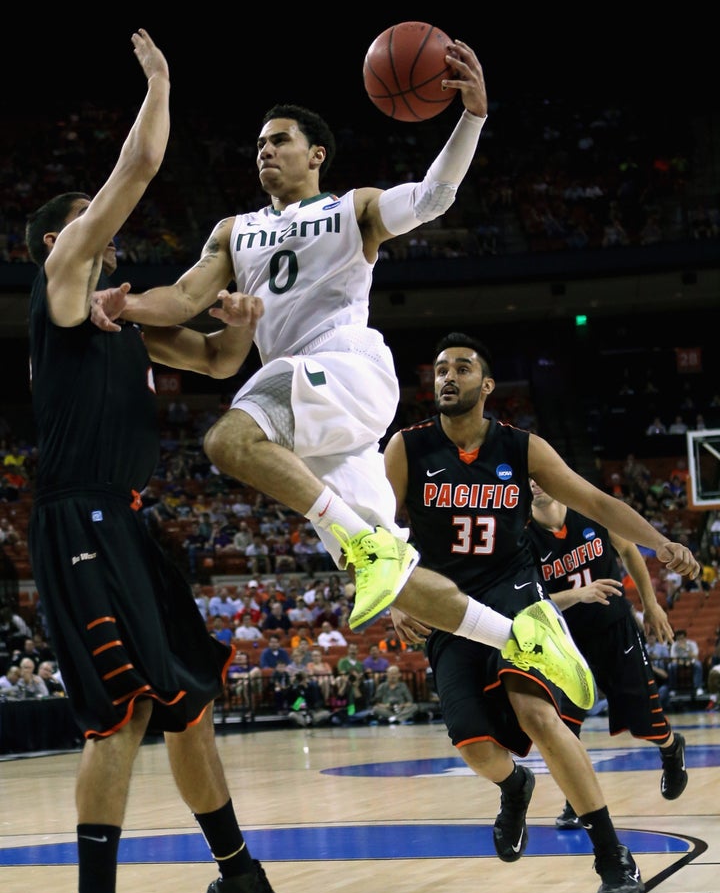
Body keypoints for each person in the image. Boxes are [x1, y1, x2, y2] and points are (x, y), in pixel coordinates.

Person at [89, 43, 595, 702]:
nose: (264, 152)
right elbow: (184, 301)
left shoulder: (349, 208)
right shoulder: (232, 231)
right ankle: (525, 635)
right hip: (313, 406)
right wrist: (122, 305)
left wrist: (470, 117)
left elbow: (433, 197)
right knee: (393, 583)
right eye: (259, 145)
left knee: (227, 441)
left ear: (316, 153)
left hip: (343, 365)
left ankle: (369, 546)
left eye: (279, 141)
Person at [25, 30, 318, 893]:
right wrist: (157, 82)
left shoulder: (121, 316)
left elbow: (215, 365)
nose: (108, 228)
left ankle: (238, 882)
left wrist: (233, 330)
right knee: (122, 711)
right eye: (89, 219)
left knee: (188, 702)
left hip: (134, 521)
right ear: (60, 242)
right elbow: (140, 165)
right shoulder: (63, 284)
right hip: (78, 519)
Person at [384, 332, 699, 893]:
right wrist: (395, 596)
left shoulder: (522, 447)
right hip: (446, 606)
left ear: (486, 385)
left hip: (517, 600)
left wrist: (659, 543)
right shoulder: (408, 448)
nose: (447, 377)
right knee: (474, 745)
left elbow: (598, 503)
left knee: (537, 714)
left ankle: (611, 855)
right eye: (439, 370)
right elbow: (375, 532)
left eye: (461, 367)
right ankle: (514, 785)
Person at [527, 480, 688, 831]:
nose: (536, 484)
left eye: (540, 477)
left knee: (644, 720)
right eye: (528, 480)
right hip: (564, 640)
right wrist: (577, 594)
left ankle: (671, 748)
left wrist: (651, 604)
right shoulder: (522, 538)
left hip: (615, 629)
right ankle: (578, 801)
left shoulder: (590, 512)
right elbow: (530, 602)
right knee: (564, 728)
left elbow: (630, 552)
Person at [668, 629, 704, 696]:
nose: (680, 640)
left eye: (682, 638)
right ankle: (673, 689)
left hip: (691, 660)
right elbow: (673, 659)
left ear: (685, 638)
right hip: (679, 661)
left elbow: (695, 657)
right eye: (678, 639)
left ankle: (698, 687)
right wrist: (682, 663)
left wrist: (686, 649)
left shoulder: (692, 644)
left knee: (698, 665)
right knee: (671, 666)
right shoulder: (674, 645)